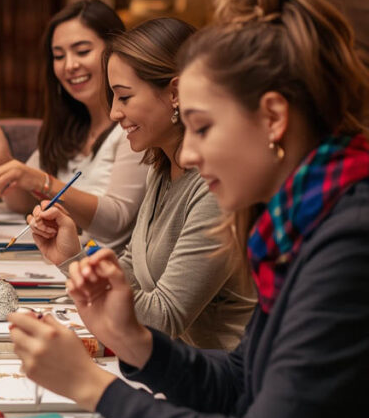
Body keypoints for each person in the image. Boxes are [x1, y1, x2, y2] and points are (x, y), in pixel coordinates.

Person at [8, 0, 369, 418]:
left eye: (203, 127)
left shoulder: (356, 240)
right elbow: (242, 382)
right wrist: (136, 342)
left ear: (273, 119)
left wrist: (90, 387)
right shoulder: (303, 220)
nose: (187, 152)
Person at [28, 18, 255, 349]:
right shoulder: (161, 167)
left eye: (124, 97)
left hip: (220, 382)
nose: (115, 113)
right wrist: (72, 256)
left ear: (175, 93)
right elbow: (132, 272)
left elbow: (165, 318)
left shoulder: (214, 187)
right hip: (171, 367)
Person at [0, 0, 147, 250]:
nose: (69, 65)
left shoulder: (133, 128)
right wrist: (3, 161)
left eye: (82, 51)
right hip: (58, 264)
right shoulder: (68, 126)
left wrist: (43, 182)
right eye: (59, 56)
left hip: (103, 271)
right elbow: (23, 203)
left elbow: (116, 220)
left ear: (115, 52)